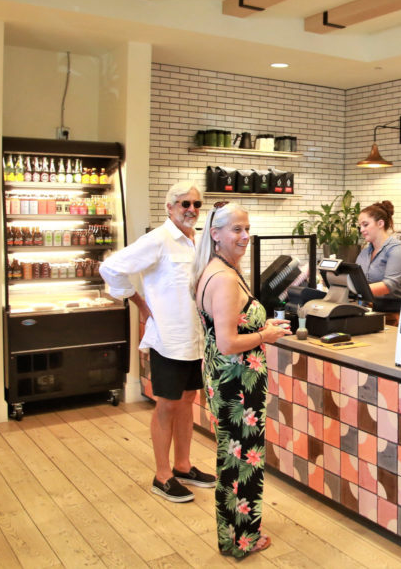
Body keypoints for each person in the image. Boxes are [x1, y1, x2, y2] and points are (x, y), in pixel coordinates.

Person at [99, 180, 216, 503]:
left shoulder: (199, 242)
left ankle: (183, 465)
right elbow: (110, 268)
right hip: (168, 337)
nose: (191, 209)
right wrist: (139, 303)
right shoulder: (158, 240)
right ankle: (162, 475)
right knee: (166, 403)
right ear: (170, 207)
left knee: (188, 398)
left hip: (194, 338)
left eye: (195, 204)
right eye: (184, 204)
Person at [193, 202, 290, 557]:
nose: (245, 236)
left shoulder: (217, 269)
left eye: (247, 228)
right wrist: (266, 336)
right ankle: (244, 540)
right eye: (236, 229)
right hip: (237, 384)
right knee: (243, 459)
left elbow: (228, 330)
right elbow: (229, 342)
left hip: (226, 378)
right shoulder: (224, 279)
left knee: (230, 458)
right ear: (215, 234)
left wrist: (262, 327)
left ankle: (232, 536)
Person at [355, 201, 401, 305]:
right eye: (360, 226)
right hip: (370, 310)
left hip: (396, 313)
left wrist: (355, 290)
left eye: (365, 225)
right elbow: (355, 279)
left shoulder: (396, 250)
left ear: (380, 224)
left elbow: (388, 285)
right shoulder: (365, 253)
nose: (361, 229)